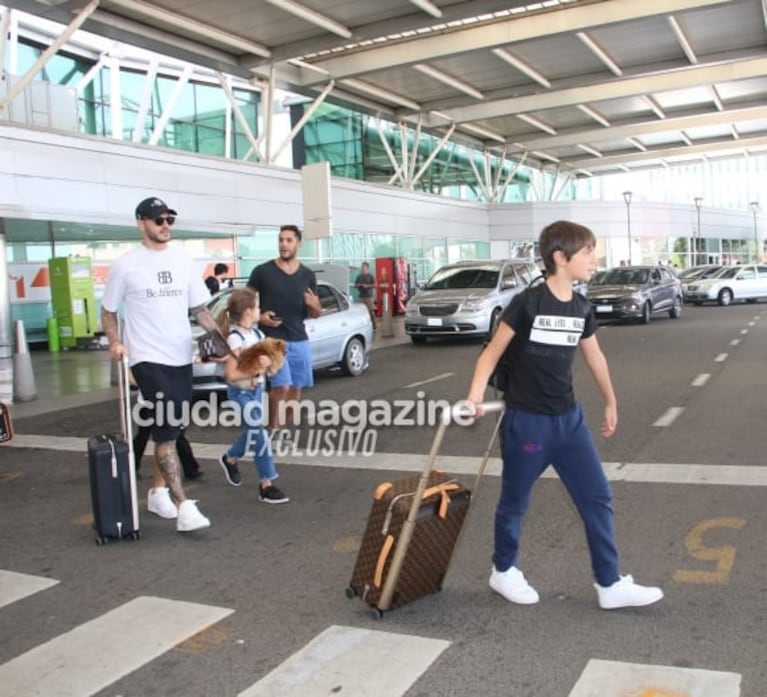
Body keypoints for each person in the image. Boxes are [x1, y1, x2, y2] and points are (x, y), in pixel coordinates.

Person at [465, 220, 664, 610]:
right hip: (528, 423)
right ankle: (503, 570)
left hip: (569, 422)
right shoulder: (528, 303)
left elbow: (595, 356)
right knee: (515, 501)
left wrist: (611, 401)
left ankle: (609, 584)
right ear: (561, 257)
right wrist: (474, 396)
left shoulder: (581, 306)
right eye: (588, 251)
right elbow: (490, 353)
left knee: (597, 497)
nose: (595, 258)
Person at [101, 196, 218, 533]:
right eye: (158, 220)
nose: (165, 225)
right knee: (167, 426)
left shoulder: (184, 261)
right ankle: (183, 507)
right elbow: (109, 311)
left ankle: (157, 492)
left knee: (169, 429)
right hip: (146, 358)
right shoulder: (126, 265)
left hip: (180, 356)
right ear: (141, 223)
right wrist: (115, 341)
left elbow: (200, 310)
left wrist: (226, 346)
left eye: (169, 219)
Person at [215, 287, 289, 503]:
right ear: (248, 311)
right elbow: (231, 374)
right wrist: (258, 368)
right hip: (241, 393)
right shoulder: (235, 339)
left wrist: (269, 365)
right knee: (259, 434)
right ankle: (266, 483)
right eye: (257, 307)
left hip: (257, 391)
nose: (260, 311)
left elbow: (270, 367)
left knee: (252, 432)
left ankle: (230, 458)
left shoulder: (258, 335)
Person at [247, 225, 321, 435]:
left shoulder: (307, 275)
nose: (284, 244)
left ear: (298, 243)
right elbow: (244, 303)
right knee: (281, 387)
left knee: (296, 391)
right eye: (281, 240)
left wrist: (314, 304)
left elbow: (316, 312)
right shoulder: (263, 272)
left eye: (288, 240)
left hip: (299, 338)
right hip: (273, 340)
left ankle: (281, 430)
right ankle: (271, 430)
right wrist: (259, 317)